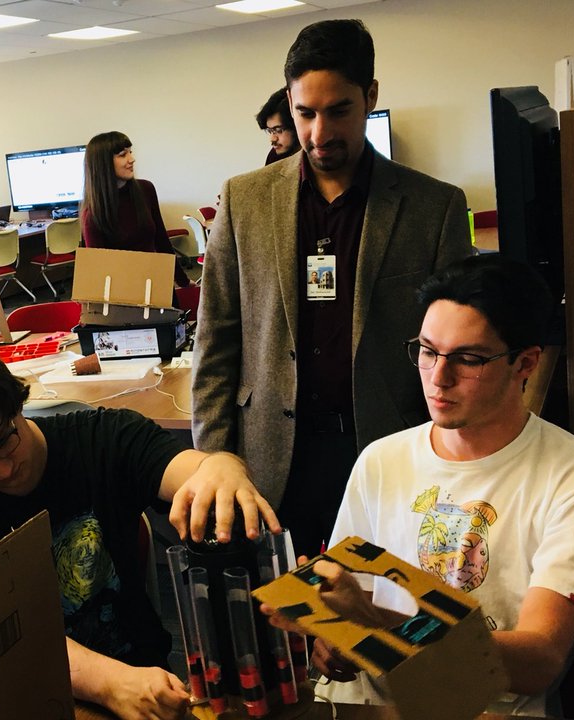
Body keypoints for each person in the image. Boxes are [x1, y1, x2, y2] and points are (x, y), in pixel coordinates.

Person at [265, 255, 574, 716]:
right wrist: (332, 636)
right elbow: (351, 601)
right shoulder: (382, 459)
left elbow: (540, 660)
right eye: (427, 351)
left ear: (525, 363)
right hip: (367, 704)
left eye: (469, 359)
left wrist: (384, 621)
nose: (438, 378)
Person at [192, 19, 473, 556]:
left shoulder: (433, 207)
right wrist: (213, 458)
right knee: (279, 616)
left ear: (369, 96)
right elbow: (217, 338)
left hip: (387, 446)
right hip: (272, 453)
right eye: (304, 113)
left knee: (384, 610)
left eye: (338, 110)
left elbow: (452, 350)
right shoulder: (244, 200)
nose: (319, 133)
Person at [0, 347, 281, 720]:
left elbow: (192, 471)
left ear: (16, 404)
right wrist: (105, 682)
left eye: (4, 442)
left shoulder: (102, 438)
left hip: (142, 678)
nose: (4, 471)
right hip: (24, 690)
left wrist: (221, 468)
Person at [81, 131, 190, 287]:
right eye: (122, 154)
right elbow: (100, 272)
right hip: (124, 293)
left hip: (156, 282)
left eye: (130, 152)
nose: (132, 159)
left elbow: (161, 240)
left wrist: (182, 280)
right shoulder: (93, 215)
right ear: (103, 163)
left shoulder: (146, 189)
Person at [257, 86, 301, 165]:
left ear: (296, 126)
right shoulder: (274, 157)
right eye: (270, 131)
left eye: (278, 130)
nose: (272, 139)